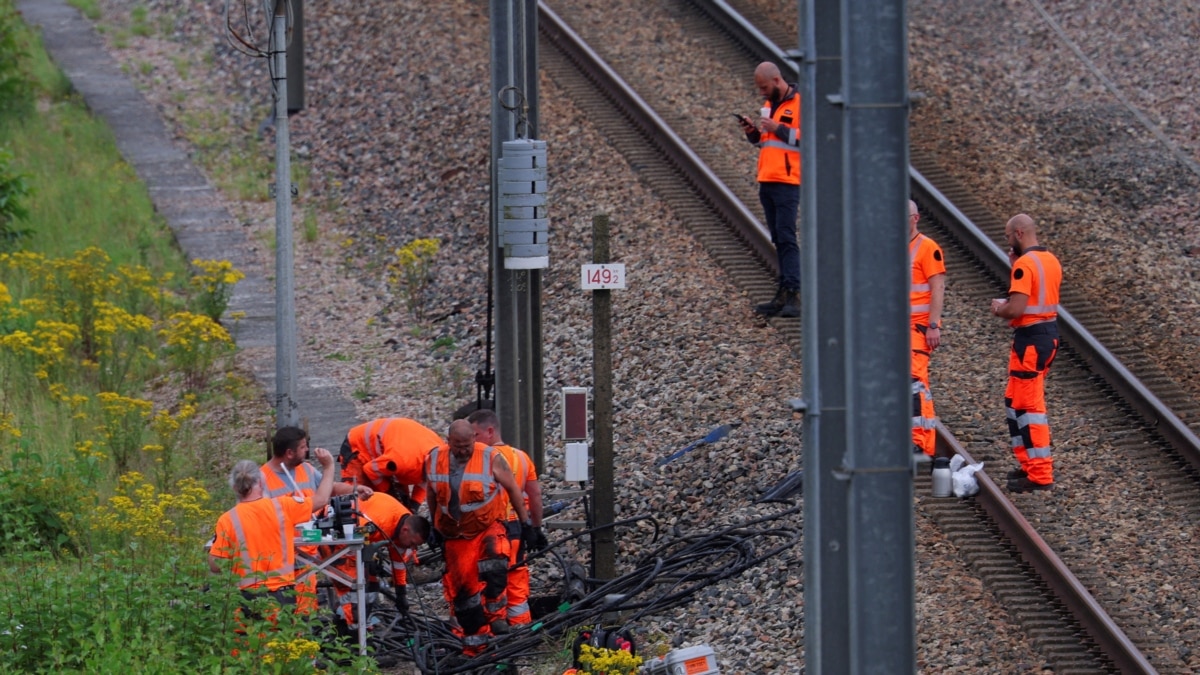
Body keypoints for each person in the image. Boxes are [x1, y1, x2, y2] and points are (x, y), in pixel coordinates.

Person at [425, 419, 530, 655]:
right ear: (448, 441)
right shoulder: (433, 459)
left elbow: (514, 488)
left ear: (475, 437)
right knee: (464, 592)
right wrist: (434, 526)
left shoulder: (490, 457)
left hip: (486, 527)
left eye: (467, 445)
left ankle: (497, 619)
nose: (463, 450)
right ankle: (476, 643)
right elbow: (431, 493)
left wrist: (527, 524)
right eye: (458, 445)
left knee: (495, 568)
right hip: (455, 535)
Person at [261, 426, 373, 613]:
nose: (308, 450)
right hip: (285, 556)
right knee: (287, 608)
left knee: (308, 603)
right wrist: (329, 465)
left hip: (311, 547)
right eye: (303, 447)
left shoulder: (306, 469)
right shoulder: (262, 479)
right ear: (289, 453)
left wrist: (354, 489)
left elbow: (328, 487)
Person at [209, 451, 336, 610]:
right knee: (283, 635)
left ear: (235, 487)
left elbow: (216, 565)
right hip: (283, 594)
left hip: (247, 597)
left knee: (250, 634)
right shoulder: (283, 507)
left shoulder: (227, 519)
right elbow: (321, 499)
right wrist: (329, 466)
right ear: (261, 483)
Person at [990, 213, 1061, 492]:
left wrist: (999, 308)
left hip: (1030, 340)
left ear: (1019, 233)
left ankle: (1040, 474)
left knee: (1029, 407)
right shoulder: (1050, 260)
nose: (1007, 241)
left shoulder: (1025, 266)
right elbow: (1037, 297)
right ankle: (1029, 466)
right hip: (1046, 335)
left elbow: (1017, 308)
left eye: (1008, 237)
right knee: (1016, 401)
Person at [467, 408, 547, 629]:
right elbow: (535, 495)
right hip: (518, 529)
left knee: (490, 581)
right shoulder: (522, 458)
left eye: (475, 435)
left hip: (491, 532)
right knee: (516, 578)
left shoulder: (479, 460)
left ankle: (495, 632)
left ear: (489, 431)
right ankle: (521, 630)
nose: (472, 441)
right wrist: (536, 528)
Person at [738, 61, 802, 319]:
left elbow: (809, 138)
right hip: (768, 179)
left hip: (788, 181)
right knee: (778, 237)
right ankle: (784, 292)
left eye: (764, 87)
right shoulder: (769, 106)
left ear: (777, 80)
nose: (762, 93)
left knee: (787, 237)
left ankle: (793, 294)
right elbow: (766, 143)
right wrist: (753, 132)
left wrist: (778, 128)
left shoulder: (801, 104)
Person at [326, 491, 430, 630]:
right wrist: (364, 562)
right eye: (412, 543)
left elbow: (399, 563)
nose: (412, 548)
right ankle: (349, 628)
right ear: (405, 530)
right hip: (339, 535)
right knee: (352, 586)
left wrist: (401, 593)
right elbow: (350, 539)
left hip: (359, 539)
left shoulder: (404, 530)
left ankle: (361, 622)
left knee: (372, 586)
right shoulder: (380, 522)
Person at [909, 201, 946, 459]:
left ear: (915, 218)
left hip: (919, 327)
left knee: (915, 382)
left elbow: (938, 288)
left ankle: (920, 442)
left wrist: (933, 325)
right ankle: (913, 439)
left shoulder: (928, 247)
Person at [339, 417, 443, 508]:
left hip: (390, 454)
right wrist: (388, 493)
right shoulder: (402, 461)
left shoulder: (441, 455)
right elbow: (371, 470)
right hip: (357, 448)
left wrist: (414, 505)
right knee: (356, 500)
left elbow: (425, 481)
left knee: (402, 504)